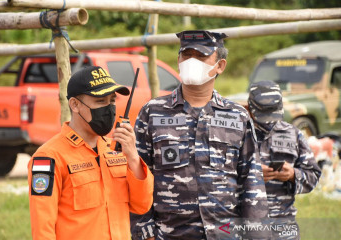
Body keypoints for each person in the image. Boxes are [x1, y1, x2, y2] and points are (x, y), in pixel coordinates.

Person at [130, 30, 269, 240]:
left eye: (201, 56)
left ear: (220, 65)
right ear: (178, 60)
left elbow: (251, 181)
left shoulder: (237, 116)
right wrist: (146, 233)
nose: (191, 61)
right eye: (186, 55)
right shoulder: (152, 113)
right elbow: (136, 175)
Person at [28, 66, 154, 240]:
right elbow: (43, 228)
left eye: (112, 101)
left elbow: (142, 205)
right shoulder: (49, 157)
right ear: (75, 105)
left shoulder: (118, 151)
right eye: (100, 101)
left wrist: (133, 157)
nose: (109, 108)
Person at [247, 80, 321, 239]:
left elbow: (313, 175)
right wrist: (251, 174)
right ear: (250, 108)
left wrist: (293, 175)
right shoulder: (236, 135)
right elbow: (218, 177)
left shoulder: (293, 134)